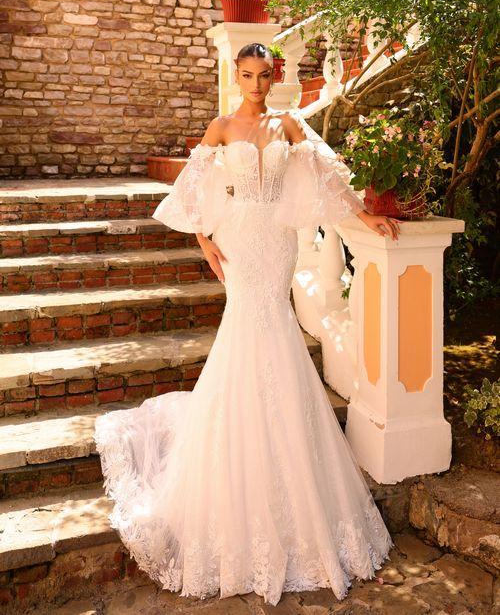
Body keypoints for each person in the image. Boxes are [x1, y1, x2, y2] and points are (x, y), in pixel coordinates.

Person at [94, 42, 402, 607]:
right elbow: (191, 189)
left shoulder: (290, 124)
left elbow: (328, 177)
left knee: (277, 331)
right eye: (247, 75)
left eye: (264, 75)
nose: (256, 84)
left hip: (277, 245)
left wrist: (366, 214)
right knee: (244, 334)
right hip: (238, 241)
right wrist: (205, 240)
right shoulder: (220, 127)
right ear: (235, 76)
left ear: (275, 76)